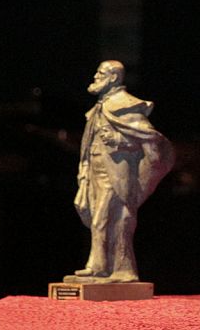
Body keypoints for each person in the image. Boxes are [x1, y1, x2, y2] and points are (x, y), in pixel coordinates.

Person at [70, 60, 174, 283]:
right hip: (95, 172)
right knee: (99, 218)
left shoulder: (125, 105)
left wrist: (118, 140)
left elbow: (148, 139)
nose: (96, 76)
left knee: (106, 218)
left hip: (115, 174)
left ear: (114, 78)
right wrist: (85, 169)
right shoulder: (100, 107)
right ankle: (100, 267)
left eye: (101, 73)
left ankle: (110, 268)